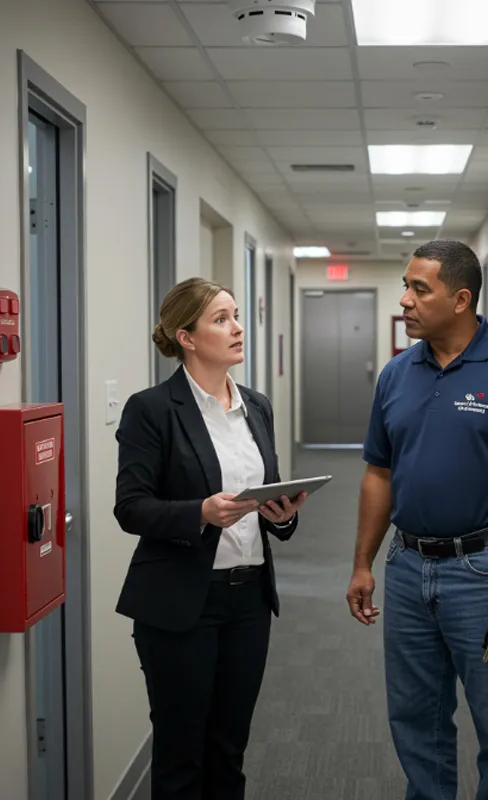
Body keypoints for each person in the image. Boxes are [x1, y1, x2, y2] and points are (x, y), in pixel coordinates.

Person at [345, 240, 488, 800]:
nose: (405, 300)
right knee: (417, 727)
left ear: (461, 299)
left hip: (486, 572)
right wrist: (362, 564)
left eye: (420, 289)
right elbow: (379, 473)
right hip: (407, 566)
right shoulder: (397, 375)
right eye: (406, 285)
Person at [114, 277, 307, 800]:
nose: (238, 328)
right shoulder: (152, 409)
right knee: (181, 757)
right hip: (181, 604)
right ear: (187, 337)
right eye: (221, 319)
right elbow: (130, 508)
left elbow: (266, 505)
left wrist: (283, 515)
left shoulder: (257, 406)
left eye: (237, 315)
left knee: (229, 750)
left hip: (248, 601)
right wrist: (199, 512)